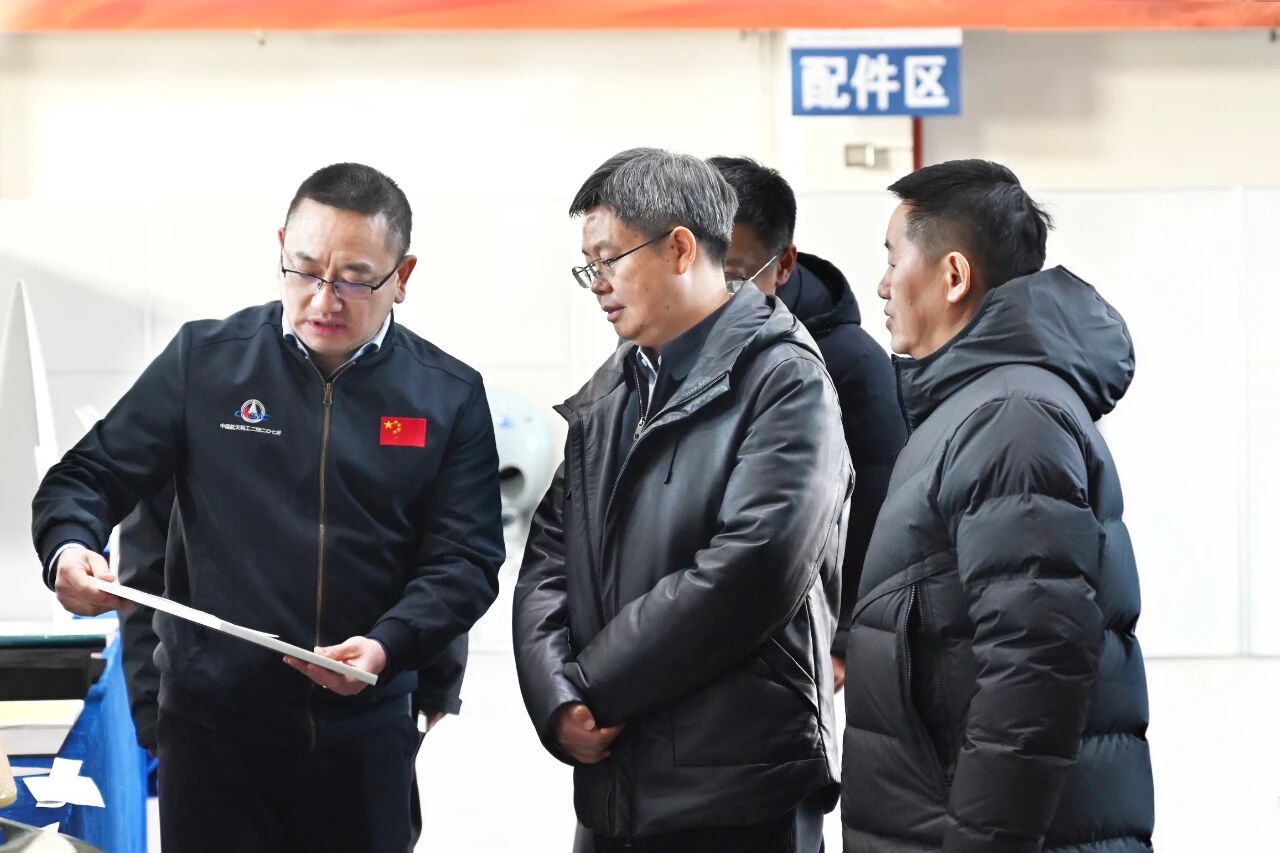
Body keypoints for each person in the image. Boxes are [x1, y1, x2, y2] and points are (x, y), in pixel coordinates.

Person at [31, 162, 504, 853]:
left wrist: (388, 644)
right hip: (214, 738)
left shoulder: (447, 395)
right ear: (282, 247)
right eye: (305, 270)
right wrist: (69, 548)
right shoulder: (206, 363)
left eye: (354, 279)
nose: (323, 299)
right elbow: (88, 475)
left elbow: (465, 560)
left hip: (364, 740)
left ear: (402, 276)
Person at [513, 147, 852, 853]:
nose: (597, 284)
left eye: (610, 259)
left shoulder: (784, 380)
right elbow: (549, 554)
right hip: (617, 782)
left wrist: (592, 687)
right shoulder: (615, 390)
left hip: (735, 789)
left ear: (680, 248)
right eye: (588, 265)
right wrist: (557, 700)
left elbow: (752, 567)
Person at [840, 160, 1154, 852]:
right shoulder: (974, 410)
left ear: (953, 275)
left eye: (892, 260)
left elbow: (1032, 672)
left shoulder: (1010, 418)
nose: (883, 285)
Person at [114, 483, 470, 853]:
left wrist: (440, 673)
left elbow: (445, 546)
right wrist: (149, 702)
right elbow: (145, 560)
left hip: (366, 720)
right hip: (213, 724)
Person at [709, 155, 906, 691]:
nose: (709, 296)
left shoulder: (847, 364)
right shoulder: (663, 348)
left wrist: (841, 641)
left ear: (783, 265)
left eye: (732, 278)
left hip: (792, 644)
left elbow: (878, 505)